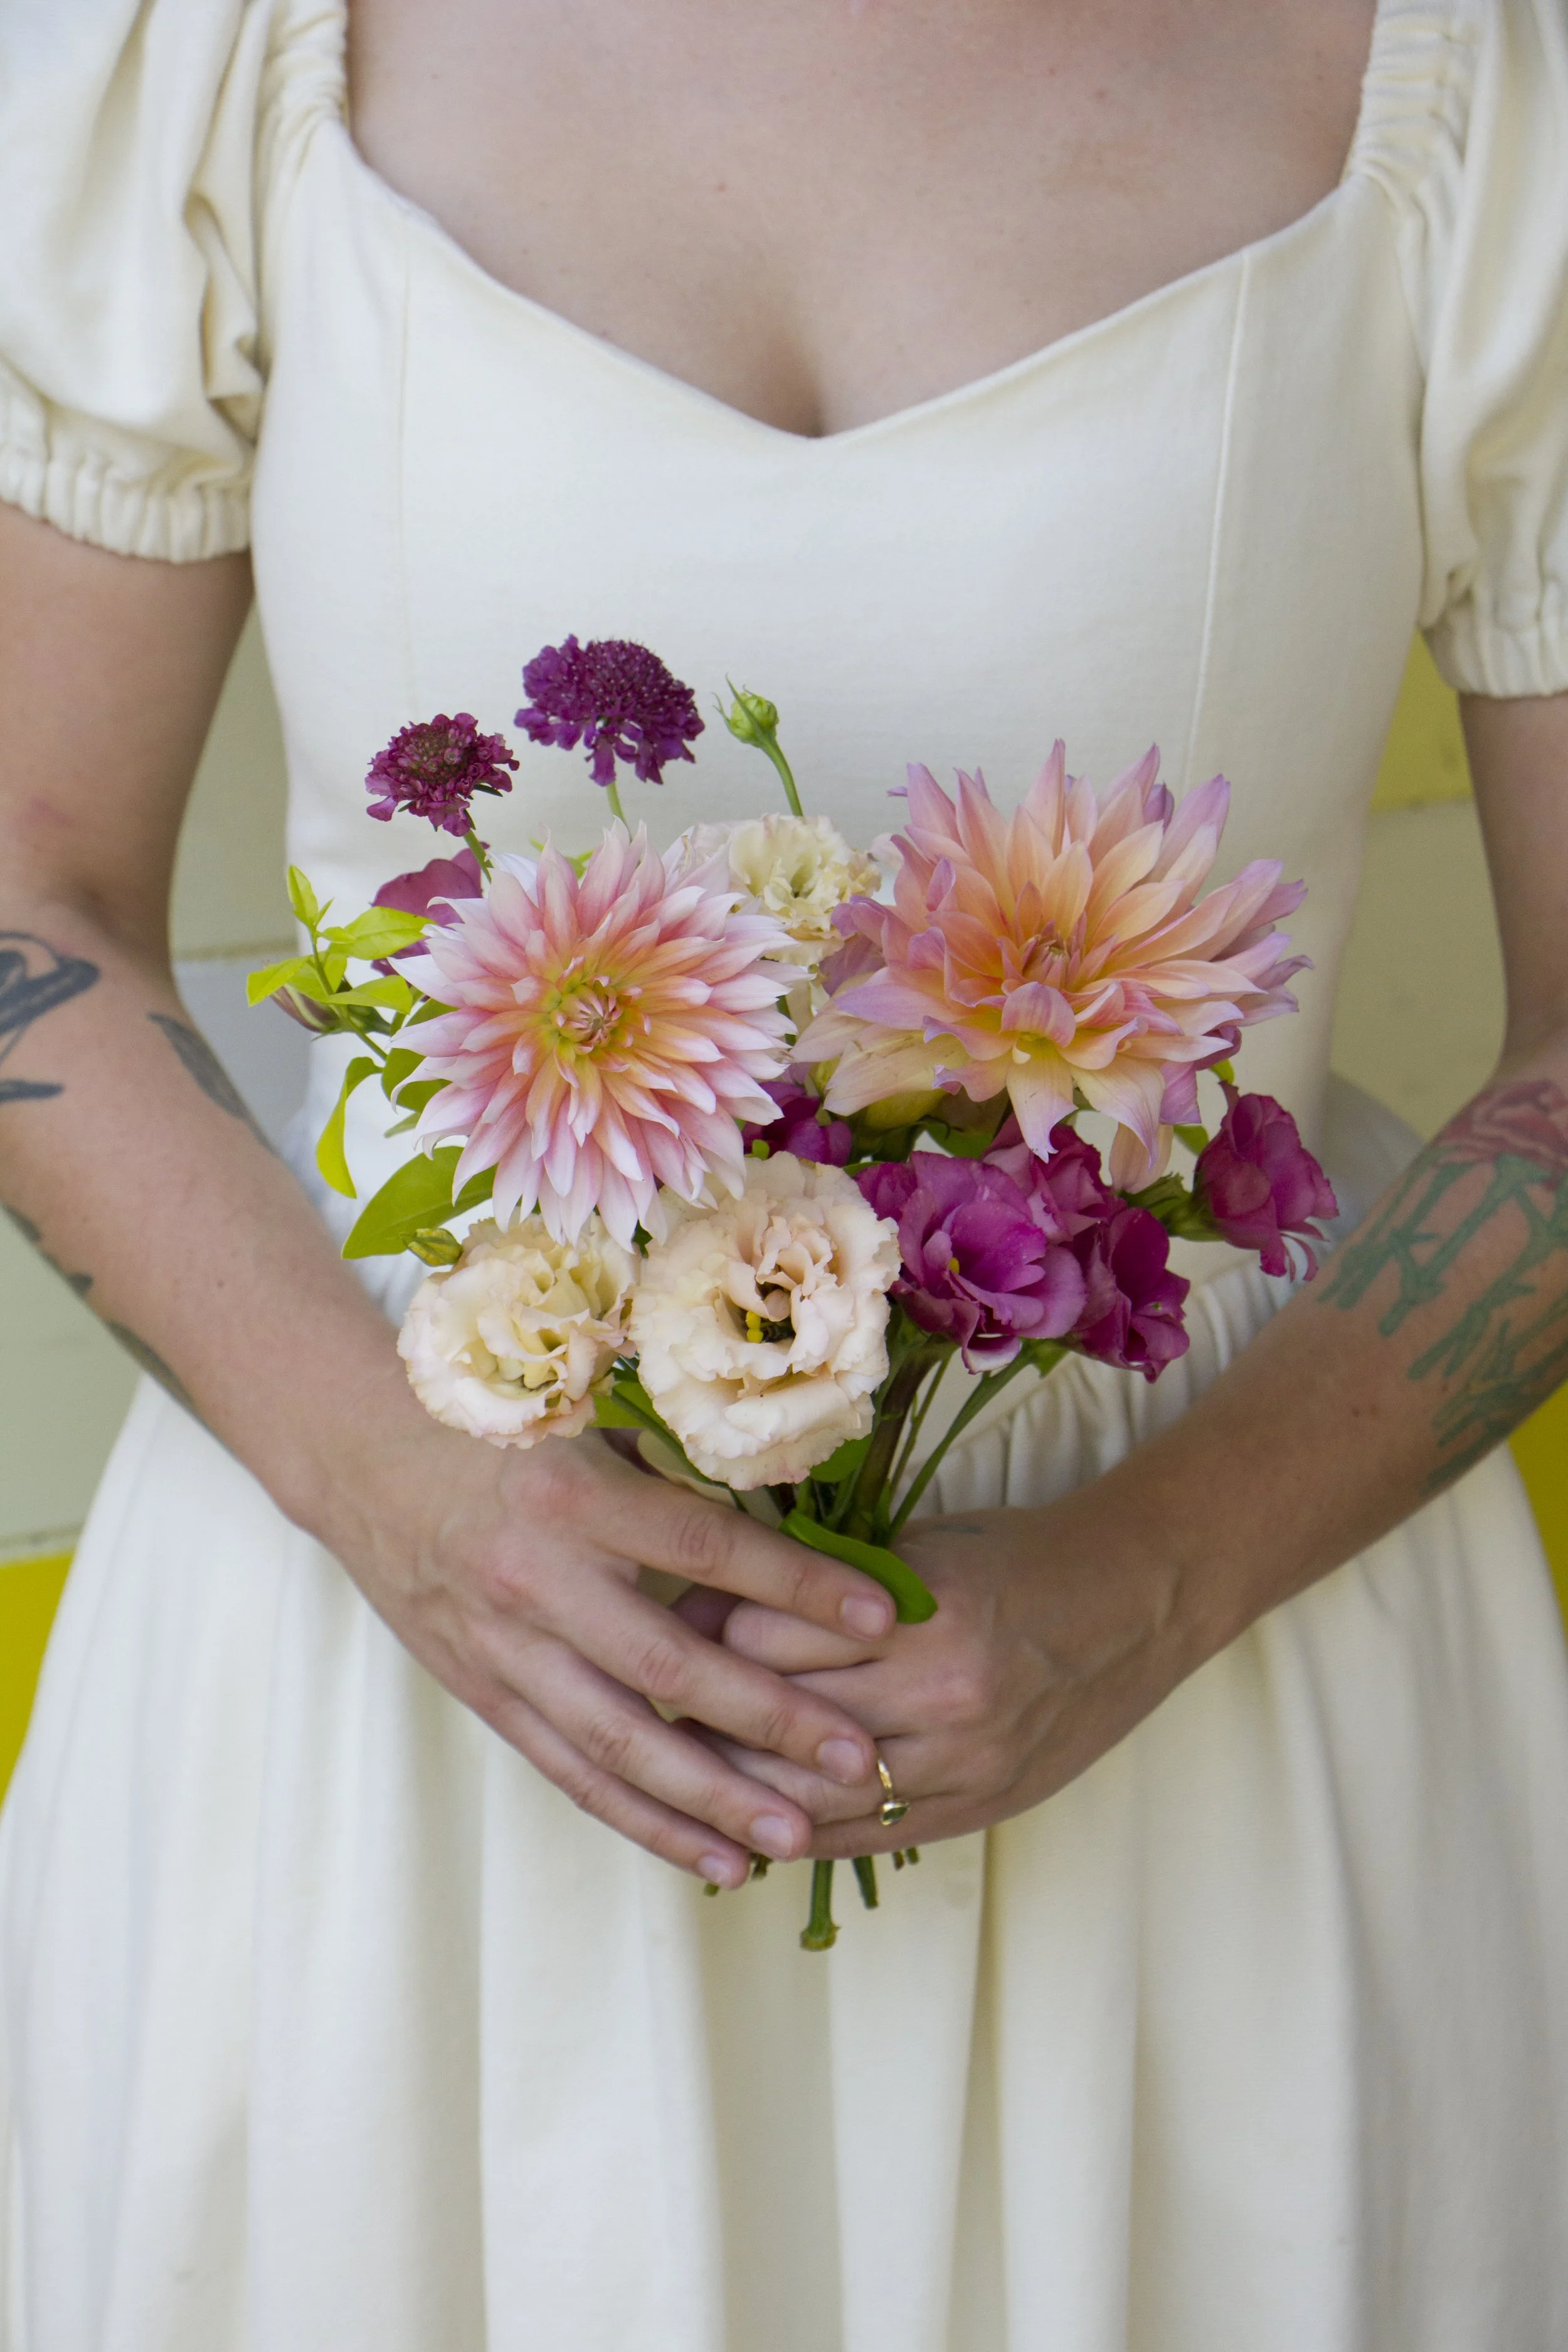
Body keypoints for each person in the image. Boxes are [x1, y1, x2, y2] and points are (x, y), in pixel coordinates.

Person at [1, 0, 1566, 2343]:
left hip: (1205, 1675)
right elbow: (28, 890)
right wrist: (405, 1500)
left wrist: (1141, 1577)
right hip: (395, 1676)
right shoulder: (211, 50)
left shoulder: (1480, 83)